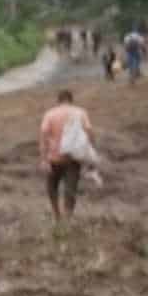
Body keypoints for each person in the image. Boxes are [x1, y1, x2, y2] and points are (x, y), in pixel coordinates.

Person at [39, 89, 97, 225]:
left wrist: (43, 159)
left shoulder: (50, 114)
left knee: (52, 186)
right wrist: (88, 150)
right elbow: (89, 132)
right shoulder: (80, 112)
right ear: (71, 100)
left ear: (58, 100)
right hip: (73, 158)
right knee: (71, 188)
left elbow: (43, 135)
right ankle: (68, 218)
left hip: (54, 157)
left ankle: (56, 214)